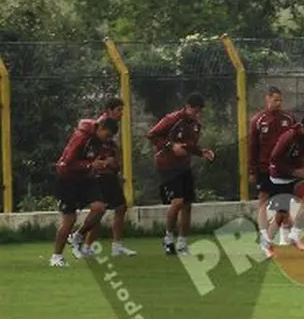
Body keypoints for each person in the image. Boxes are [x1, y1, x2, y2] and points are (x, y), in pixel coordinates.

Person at [148, 93, 215, 256]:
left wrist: (201, 152)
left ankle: (182, 243)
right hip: (167, 165)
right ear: (187, 107)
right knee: (177, 202)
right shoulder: (172, 119)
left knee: (187, 204)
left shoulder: (196, 125)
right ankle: (168, 237)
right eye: (195, 111)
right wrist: (171, 146)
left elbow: (190, 146)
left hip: (184, 166)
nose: (197, 114)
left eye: (200, 112)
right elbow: (152, 135)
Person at [50, 118, 118, 267]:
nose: (108, 139)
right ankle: (56, 256)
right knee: (70, 218)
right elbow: (67, 162)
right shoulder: (81, 136)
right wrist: (89, 165)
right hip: (67, 178)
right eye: (107, 135)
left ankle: (78, 236)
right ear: (100, 128)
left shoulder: (101, 142)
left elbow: (98, 159)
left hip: (86, 178)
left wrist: (107, 163)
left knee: (99, 208)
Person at [80, 97, 136, 257]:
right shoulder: (100, 126)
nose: (121, 113)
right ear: (109, 110)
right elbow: (93, 150)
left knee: (120, 207)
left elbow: (112, 149)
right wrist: (105, 163)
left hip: (109, 175)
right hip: (100, 175)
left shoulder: (112, 128)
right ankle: (84, 243)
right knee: (100, 210)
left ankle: (116, 246)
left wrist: (116, 168)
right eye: (119, 110)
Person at [261, 115, 304, 257]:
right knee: (281, 214)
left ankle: (294, 235)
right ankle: (266, 244)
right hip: (280, 177)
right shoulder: (289, 137)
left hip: (296, 176)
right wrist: (293, 171)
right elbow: (274, 158)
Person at [248, 86, 296, 241]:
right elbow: (253, 147)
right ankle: (263, 233)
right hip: (264, 167)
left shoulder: (289, 119)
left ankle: (284, 234)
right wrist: (252, 170)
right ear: (267, 99)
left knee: (284, 200)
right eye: (275, 100)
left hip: (283, 168)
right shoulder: (258, 120)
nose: (278, 103)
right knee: (263, 198)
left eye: (280, 100)